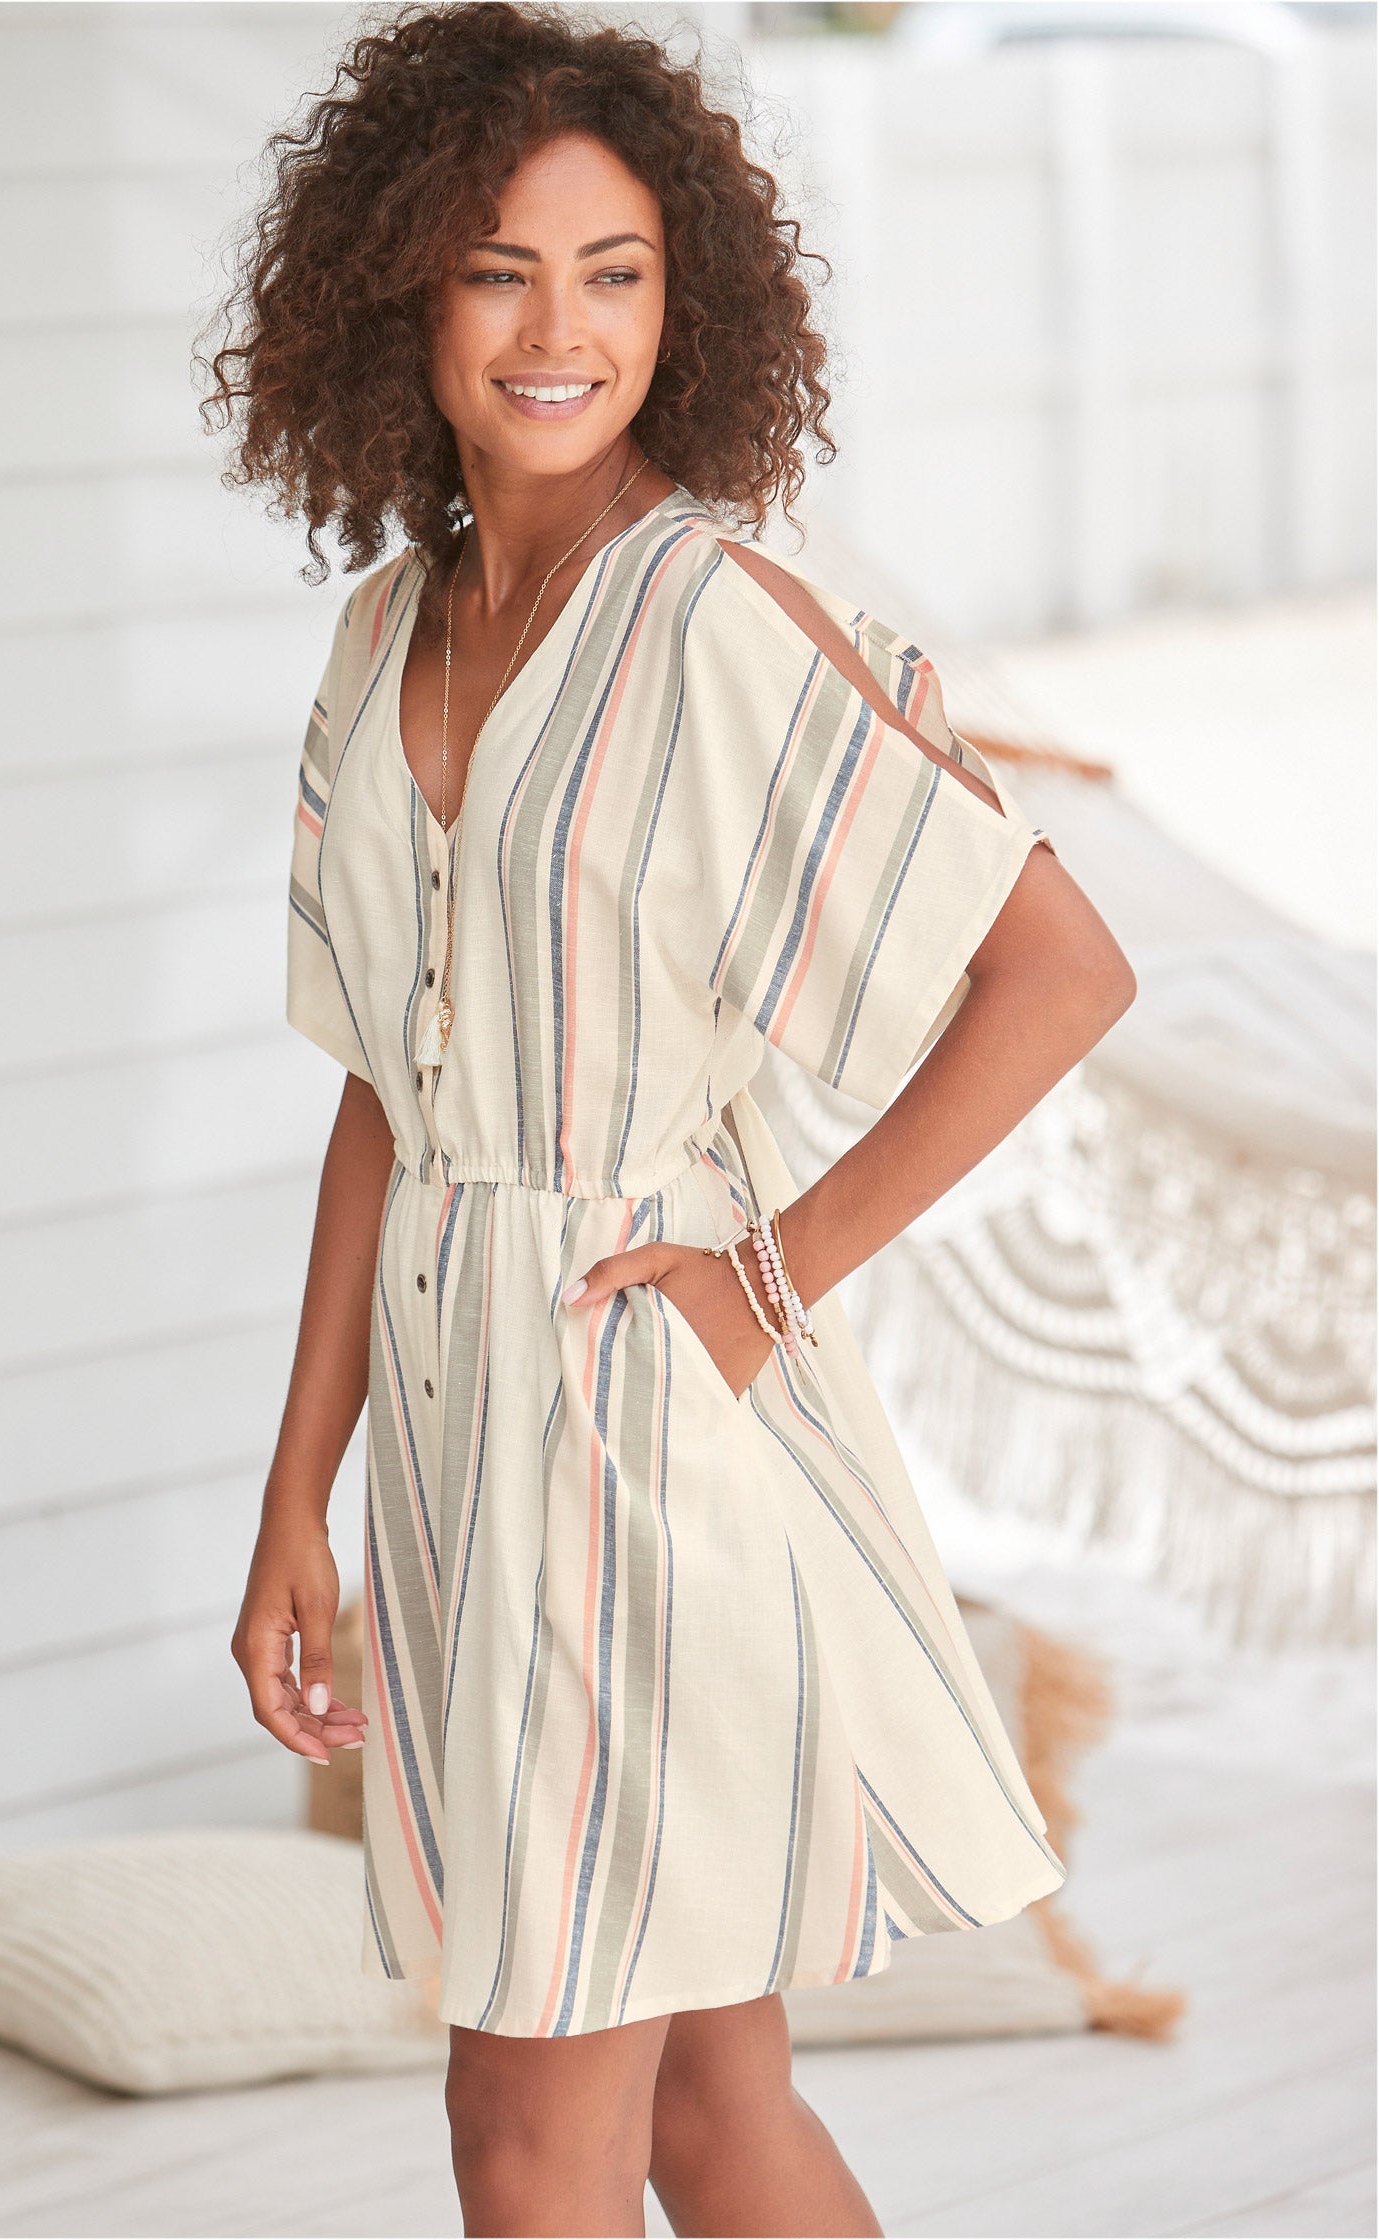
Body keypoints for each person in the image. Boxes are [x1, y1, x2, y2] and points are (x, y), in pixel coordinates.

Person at [209, 7, 1135, 2234]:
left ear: (680, 300)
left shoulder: (715, 612)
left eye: (613, 273)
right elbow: (384, 1089)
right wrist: (294, 1496)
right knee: (712, 2110)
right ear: (400, 291)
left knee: (526, 2137)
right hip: (459, 1429)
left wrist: (762, 1280)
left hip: (640, 1432)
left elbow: (1060, 970)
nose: (560, 331)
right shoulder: (384, 635)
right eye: (500, 270)